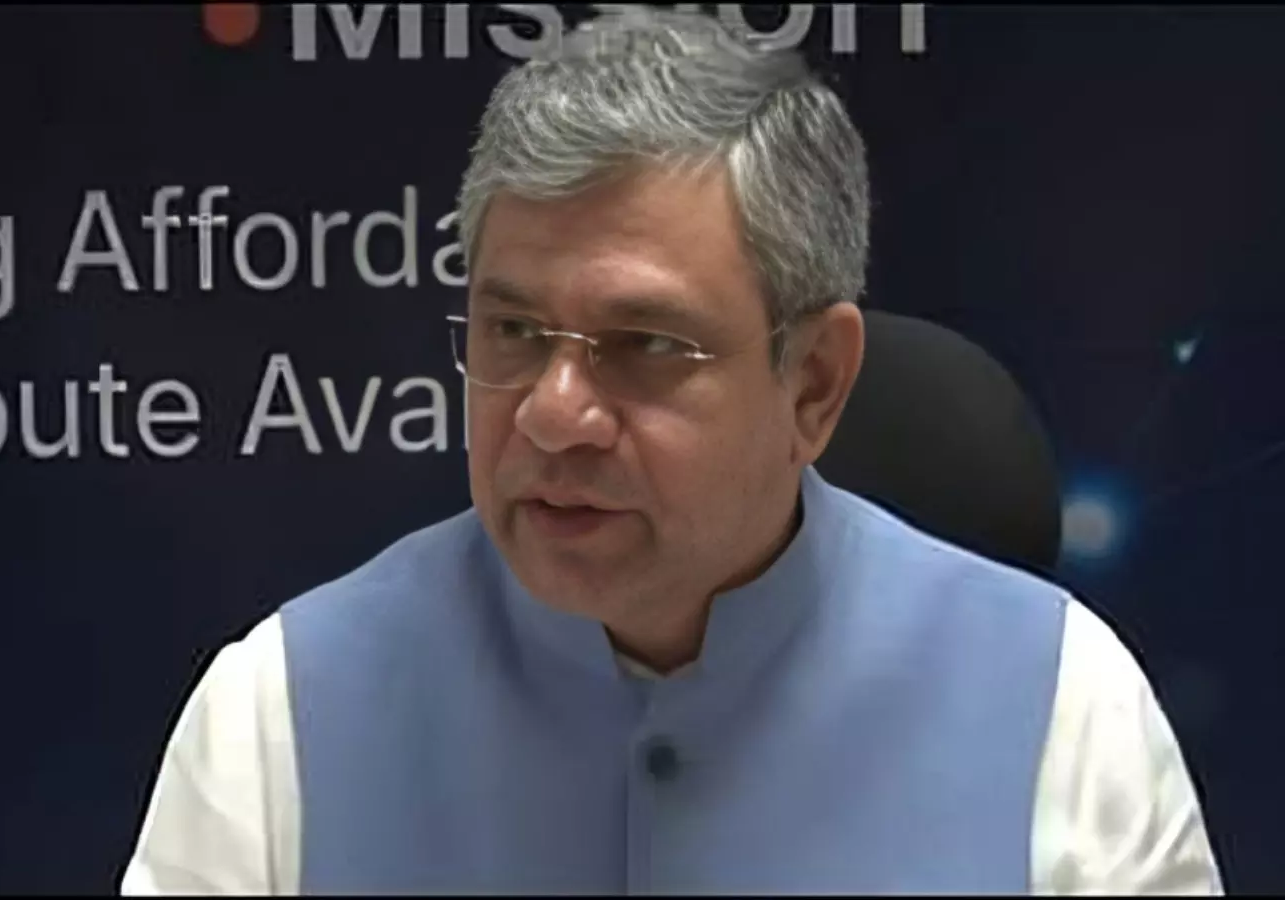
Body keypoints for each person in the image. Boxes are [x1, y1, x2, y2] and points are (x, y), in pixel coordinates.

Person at [120, 7, 1222, 895]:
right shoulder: (279, 714)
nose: (553, 413)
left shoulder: (1065, 708)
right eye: (513, 330)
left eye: (644, 344)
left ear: (815, 383)